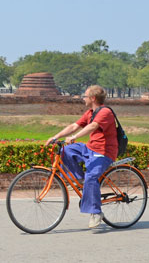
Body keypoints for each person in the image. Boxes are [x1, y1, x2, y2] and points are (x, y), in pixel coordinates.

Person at [46, 85, 118, 229]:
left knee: (91, 177)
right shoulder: (90, 112)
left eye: (85, 96)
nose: (82, 98)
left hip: (104, 152)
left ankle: (96, 213)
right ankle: (80, 179)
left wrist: (75, 137)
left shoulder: (105, 112)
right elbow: (74, 125)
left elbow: (92, 127)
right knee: (66, 151)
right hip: (90, 148)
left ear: (92, 98)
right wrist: (56, 137)